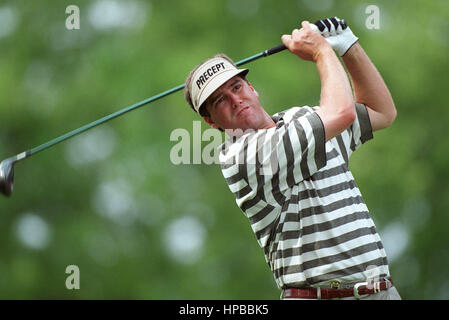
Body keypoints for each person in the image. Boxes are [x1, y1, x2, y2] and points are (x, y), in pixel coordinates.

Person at [184, 17, 400, 300]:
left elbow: (382, 112)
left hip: (382, 291)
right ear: (211, 122)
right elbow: (341, 113)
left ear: (252, 88)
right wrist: (322, 52)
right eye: (219, 101)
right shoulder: (241, 156)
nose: (235, 100)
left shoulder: (301, 118)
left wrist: (349, 46)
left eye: (236, 87)